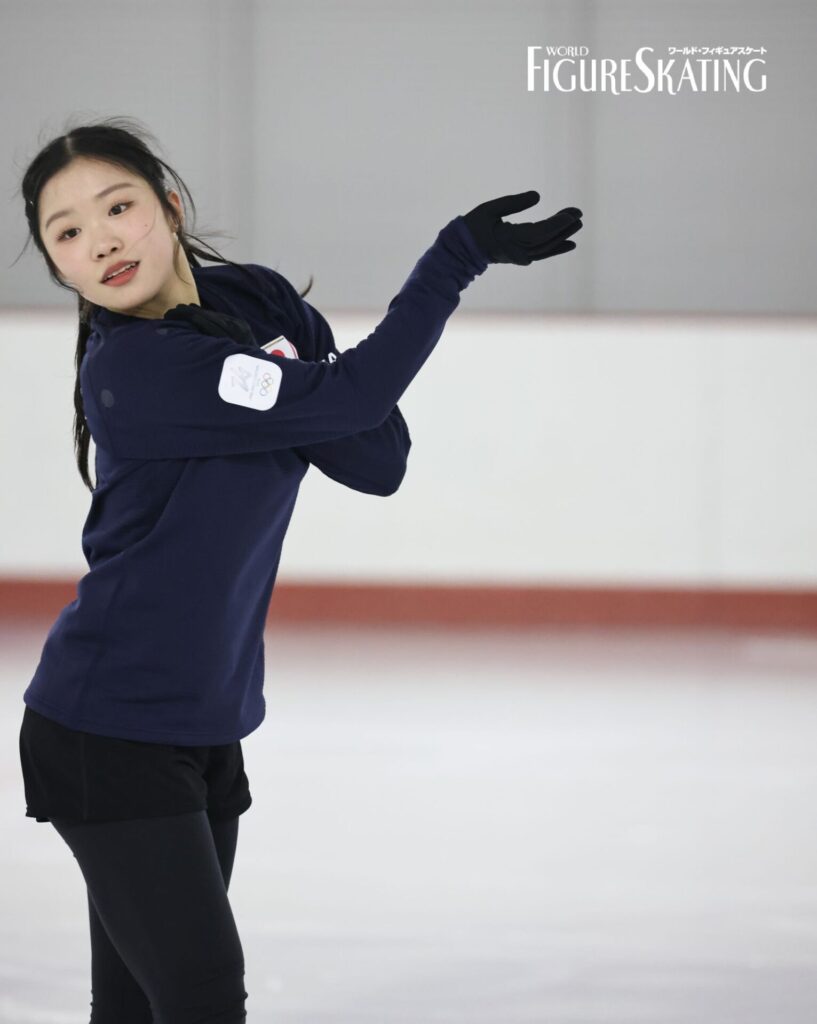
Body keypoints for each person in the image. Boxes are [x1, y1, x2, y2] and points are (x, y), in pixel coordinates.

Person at [15, 114, 583, 1023]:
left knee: (140, 1008)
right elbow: (352, 397)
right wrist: (454, 258)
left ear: (169, 205)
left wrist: (305, 381)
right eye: (69, 233)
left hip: (203, 723)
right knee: (202, 997)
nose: (103, 241)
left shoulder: (256, 300)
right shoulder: (140, 370)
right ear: (59, 267)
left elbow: (375, 459)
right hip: (109, 729)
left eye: (118, 208)